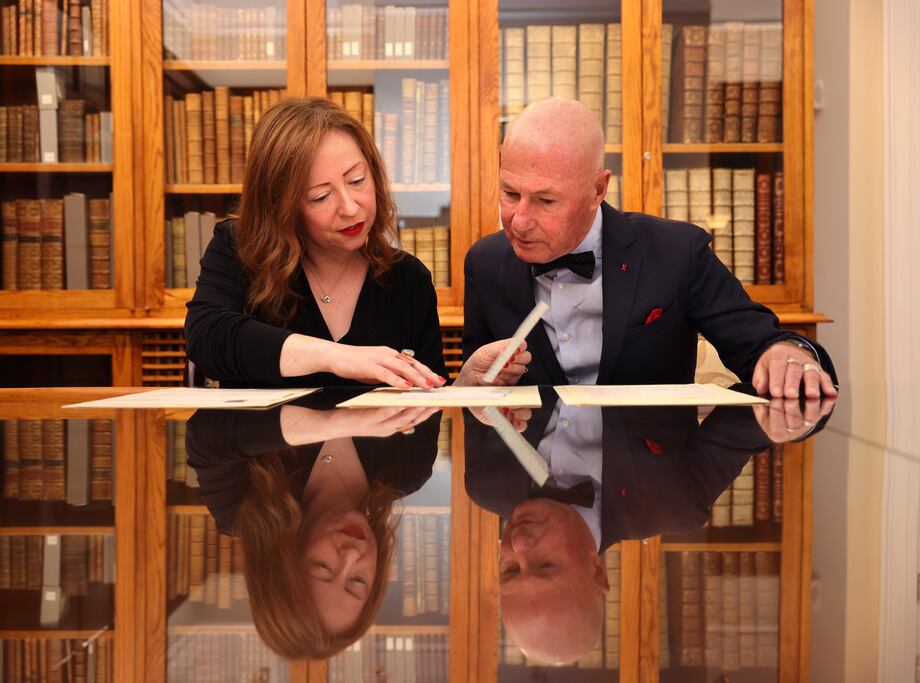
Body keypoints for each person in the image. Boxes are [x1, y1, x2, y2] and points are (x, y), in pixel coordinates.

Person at [462, 97, 838, 399]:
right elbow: (474, 417)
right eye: (510, 193)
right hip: (530, 486)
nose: (519, 220)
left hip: (648, 483)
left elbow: (761, 344)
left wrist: (788, 357)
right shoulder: (485, 263)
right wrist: (468, 381)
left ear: (598, 190)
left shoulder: (678, 252)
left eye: (546, 201)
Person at [465, 390, 834, 664]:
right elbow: (758, 410)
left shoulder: (484, 482)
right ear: (596, 569)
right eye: (546, 565)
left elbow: (476, 369)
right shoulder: (676, 500)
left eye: (510, 569)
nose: (520, 542)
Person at [185, 97, 526, 389]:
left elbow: (424, 415)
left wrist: (465, 387)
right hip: (261, 465)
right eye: (320, 197)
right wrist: (336, 357)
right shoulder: (239, 248)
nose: (350, 208)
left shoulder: (408, 280)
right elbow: (207, 337)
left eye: (357, 180)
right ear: (281, 206)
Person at [186, 392, 442, 659]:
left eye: (323, 566)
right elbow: (424, 365)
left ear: (285, 555)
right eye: (357, 581)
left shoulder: (241, 507)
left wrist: (336, 422)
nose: (352, 555)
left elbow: (205, 431)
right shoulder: (408, 466)